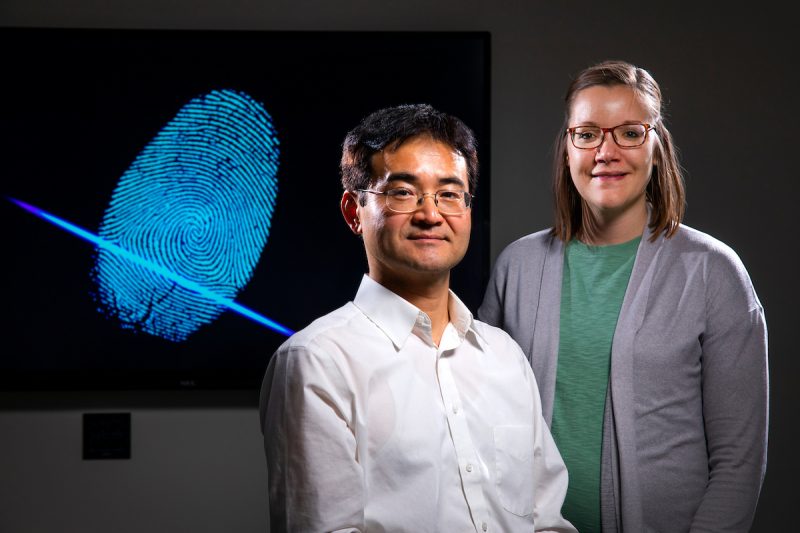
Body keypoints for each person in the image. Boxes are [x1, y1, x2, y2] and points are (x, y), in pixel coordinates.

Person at [479, 59, 769, 532]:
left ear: (657, 147)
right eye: (588, 133)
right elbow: (479, 421)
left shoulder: (713, 271)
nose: (606, 151)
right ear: (567, 148)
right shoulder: (518, 265)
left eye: (630, 133)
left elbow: (738, 462)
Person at [259, 103, 576, 533]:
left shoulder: (506, 358)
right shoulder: (317, 362)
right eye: (403, 192)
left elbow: (548, 522)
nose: (431, 214)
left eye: (449, 193)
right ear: (354, 212)